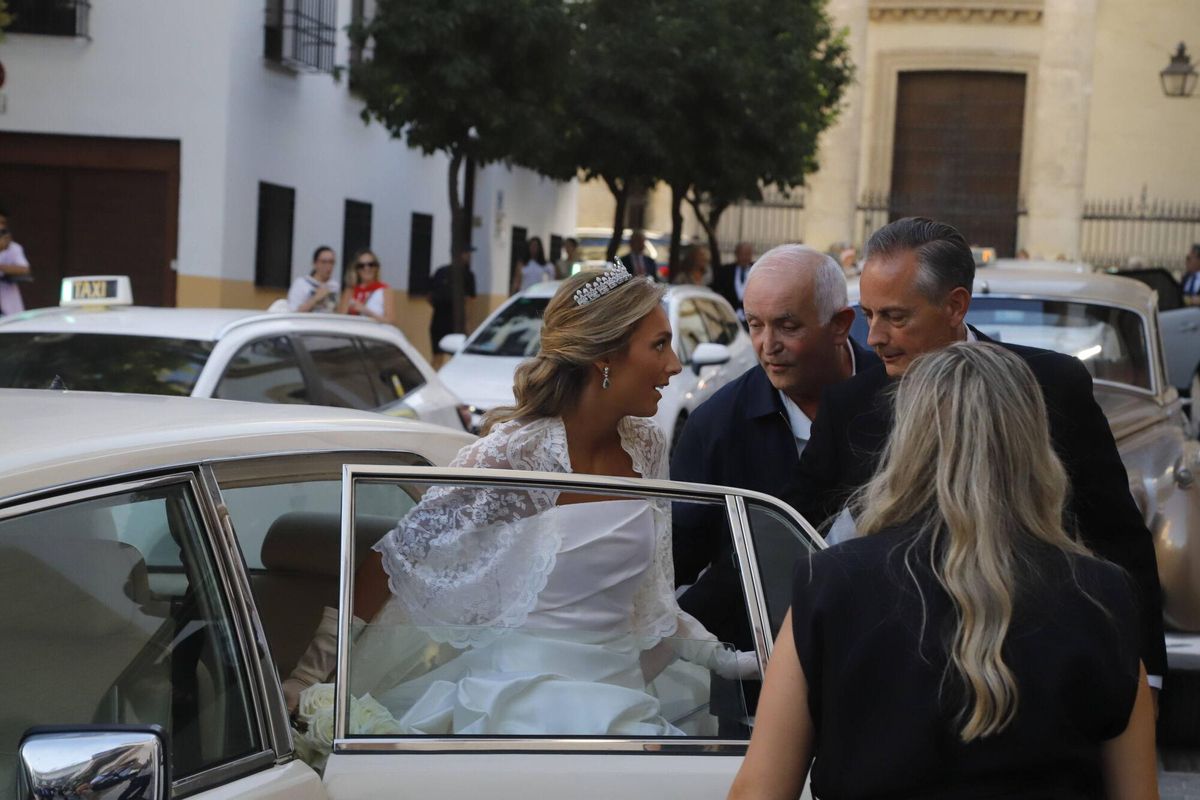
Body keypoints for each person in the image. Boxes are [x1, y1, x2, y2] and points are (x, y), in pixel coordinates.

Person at [284, 265, 758, 739]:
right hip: (520, 704)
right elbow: (399, 555)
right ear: (606, 357)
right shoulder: (518, 453)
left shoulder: (648, 446)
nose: (674, 364)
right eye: (659, 345)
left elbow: (652, 595)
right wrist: (310, 676)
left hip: (624, 698)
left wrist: (726, 658)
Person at [729, 343, 1156, 800]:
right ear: (1034, 445)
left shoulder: (829, 586)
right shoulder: (1101, 598)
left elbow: (761, 791)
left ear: (905, 443)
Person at [786, 216, 1167, 689]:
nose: (874, 338)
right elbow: (792, 532)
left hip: (1036, 674)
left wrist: (1147, 675)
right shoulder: (848, 406)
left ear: (955, 306)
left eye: (895, 317)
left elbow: (1117, 537)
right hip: (894, 678)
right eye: (868, 314)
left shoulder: (1052, 386)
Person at [671, 245, 878, 736]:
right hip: (756, 691)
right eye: (754, 324)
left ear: (841, 323)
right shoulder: (715, 426)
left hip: (883, 675)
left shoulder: (903, 398)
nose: (767, 344)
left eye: (787, 325)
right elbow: (678, 561)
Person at [428, 247, 477, 367]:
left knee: (437, 358)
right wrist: (468, 325)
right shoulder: (467, 274)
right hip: (456, 323)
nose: (469, 257)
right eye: (467, 253)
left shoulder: (440, 271)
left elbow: (428, 297)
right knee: (456, 359)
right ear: (461, 254)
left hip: (437, 321)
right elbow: (470, 301)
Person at [338, 248, 395, 324]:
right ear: (356, 270)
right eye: (361, 266)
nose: (367, 268)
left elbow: (390, 321)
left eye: (371, 265)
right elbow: (340, 319)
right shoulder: (349, 291)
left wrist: (365, 311)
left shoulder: (384, 290)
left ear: (376, 268)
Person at [287, 246, 339, 313]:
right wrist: (315, 299)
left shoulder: (334, 285)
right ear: (314, 263)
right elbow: (293, 313)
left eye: (331, 262)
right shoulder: (301, 284)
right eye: (324, 262)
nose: (328, 266)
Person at [711, 242, 754, 324]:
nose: (745, 258)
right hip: (729, 316)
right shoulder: (725, 271)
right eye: (742, 254)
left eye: (748, 254)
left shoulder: (756, 271)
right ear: (736, 254)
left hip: (751, 318)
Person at [0, 208, 31, 317]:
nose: (1, 226)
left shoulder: (13, 247)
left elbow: (24, 269)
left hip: (7, 305)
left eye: (3, 223)